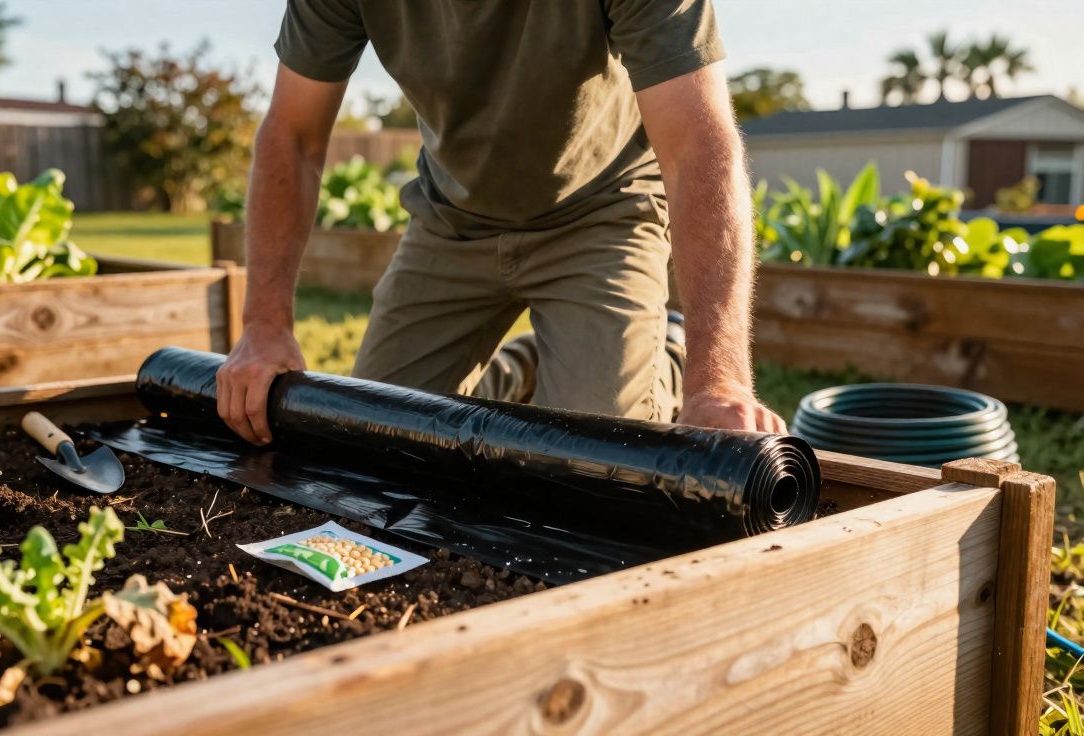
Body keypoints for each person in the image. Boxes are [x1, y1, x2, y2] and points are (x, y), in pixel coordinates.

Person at [216, 0, 786, 446]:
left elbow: (698, 148)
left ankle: (663, 350)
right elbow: (292, 136)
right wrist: (265, 323)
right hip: (451, 222)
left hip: (600, 213)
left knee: (597, 460)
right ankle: (528, 364)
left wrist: (717, 378)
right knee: (373, 437)